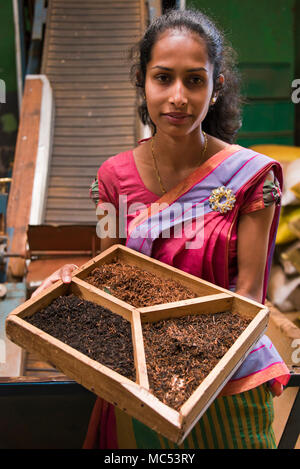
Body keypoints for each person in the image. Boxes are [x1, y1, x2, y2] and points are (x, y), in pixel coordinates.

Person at [33, 9, 290, 449]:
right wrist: (70, 282)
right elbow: (108, 277)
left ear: (215, 87)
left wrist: (185, 371)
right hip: (141, 386)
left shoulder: (249, 177)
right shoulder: (113, 179)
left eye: (194, 80)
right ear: (143, 81)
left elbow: (249, 295)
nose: (178, 97)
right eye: (163, 78)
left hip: (227, 384)